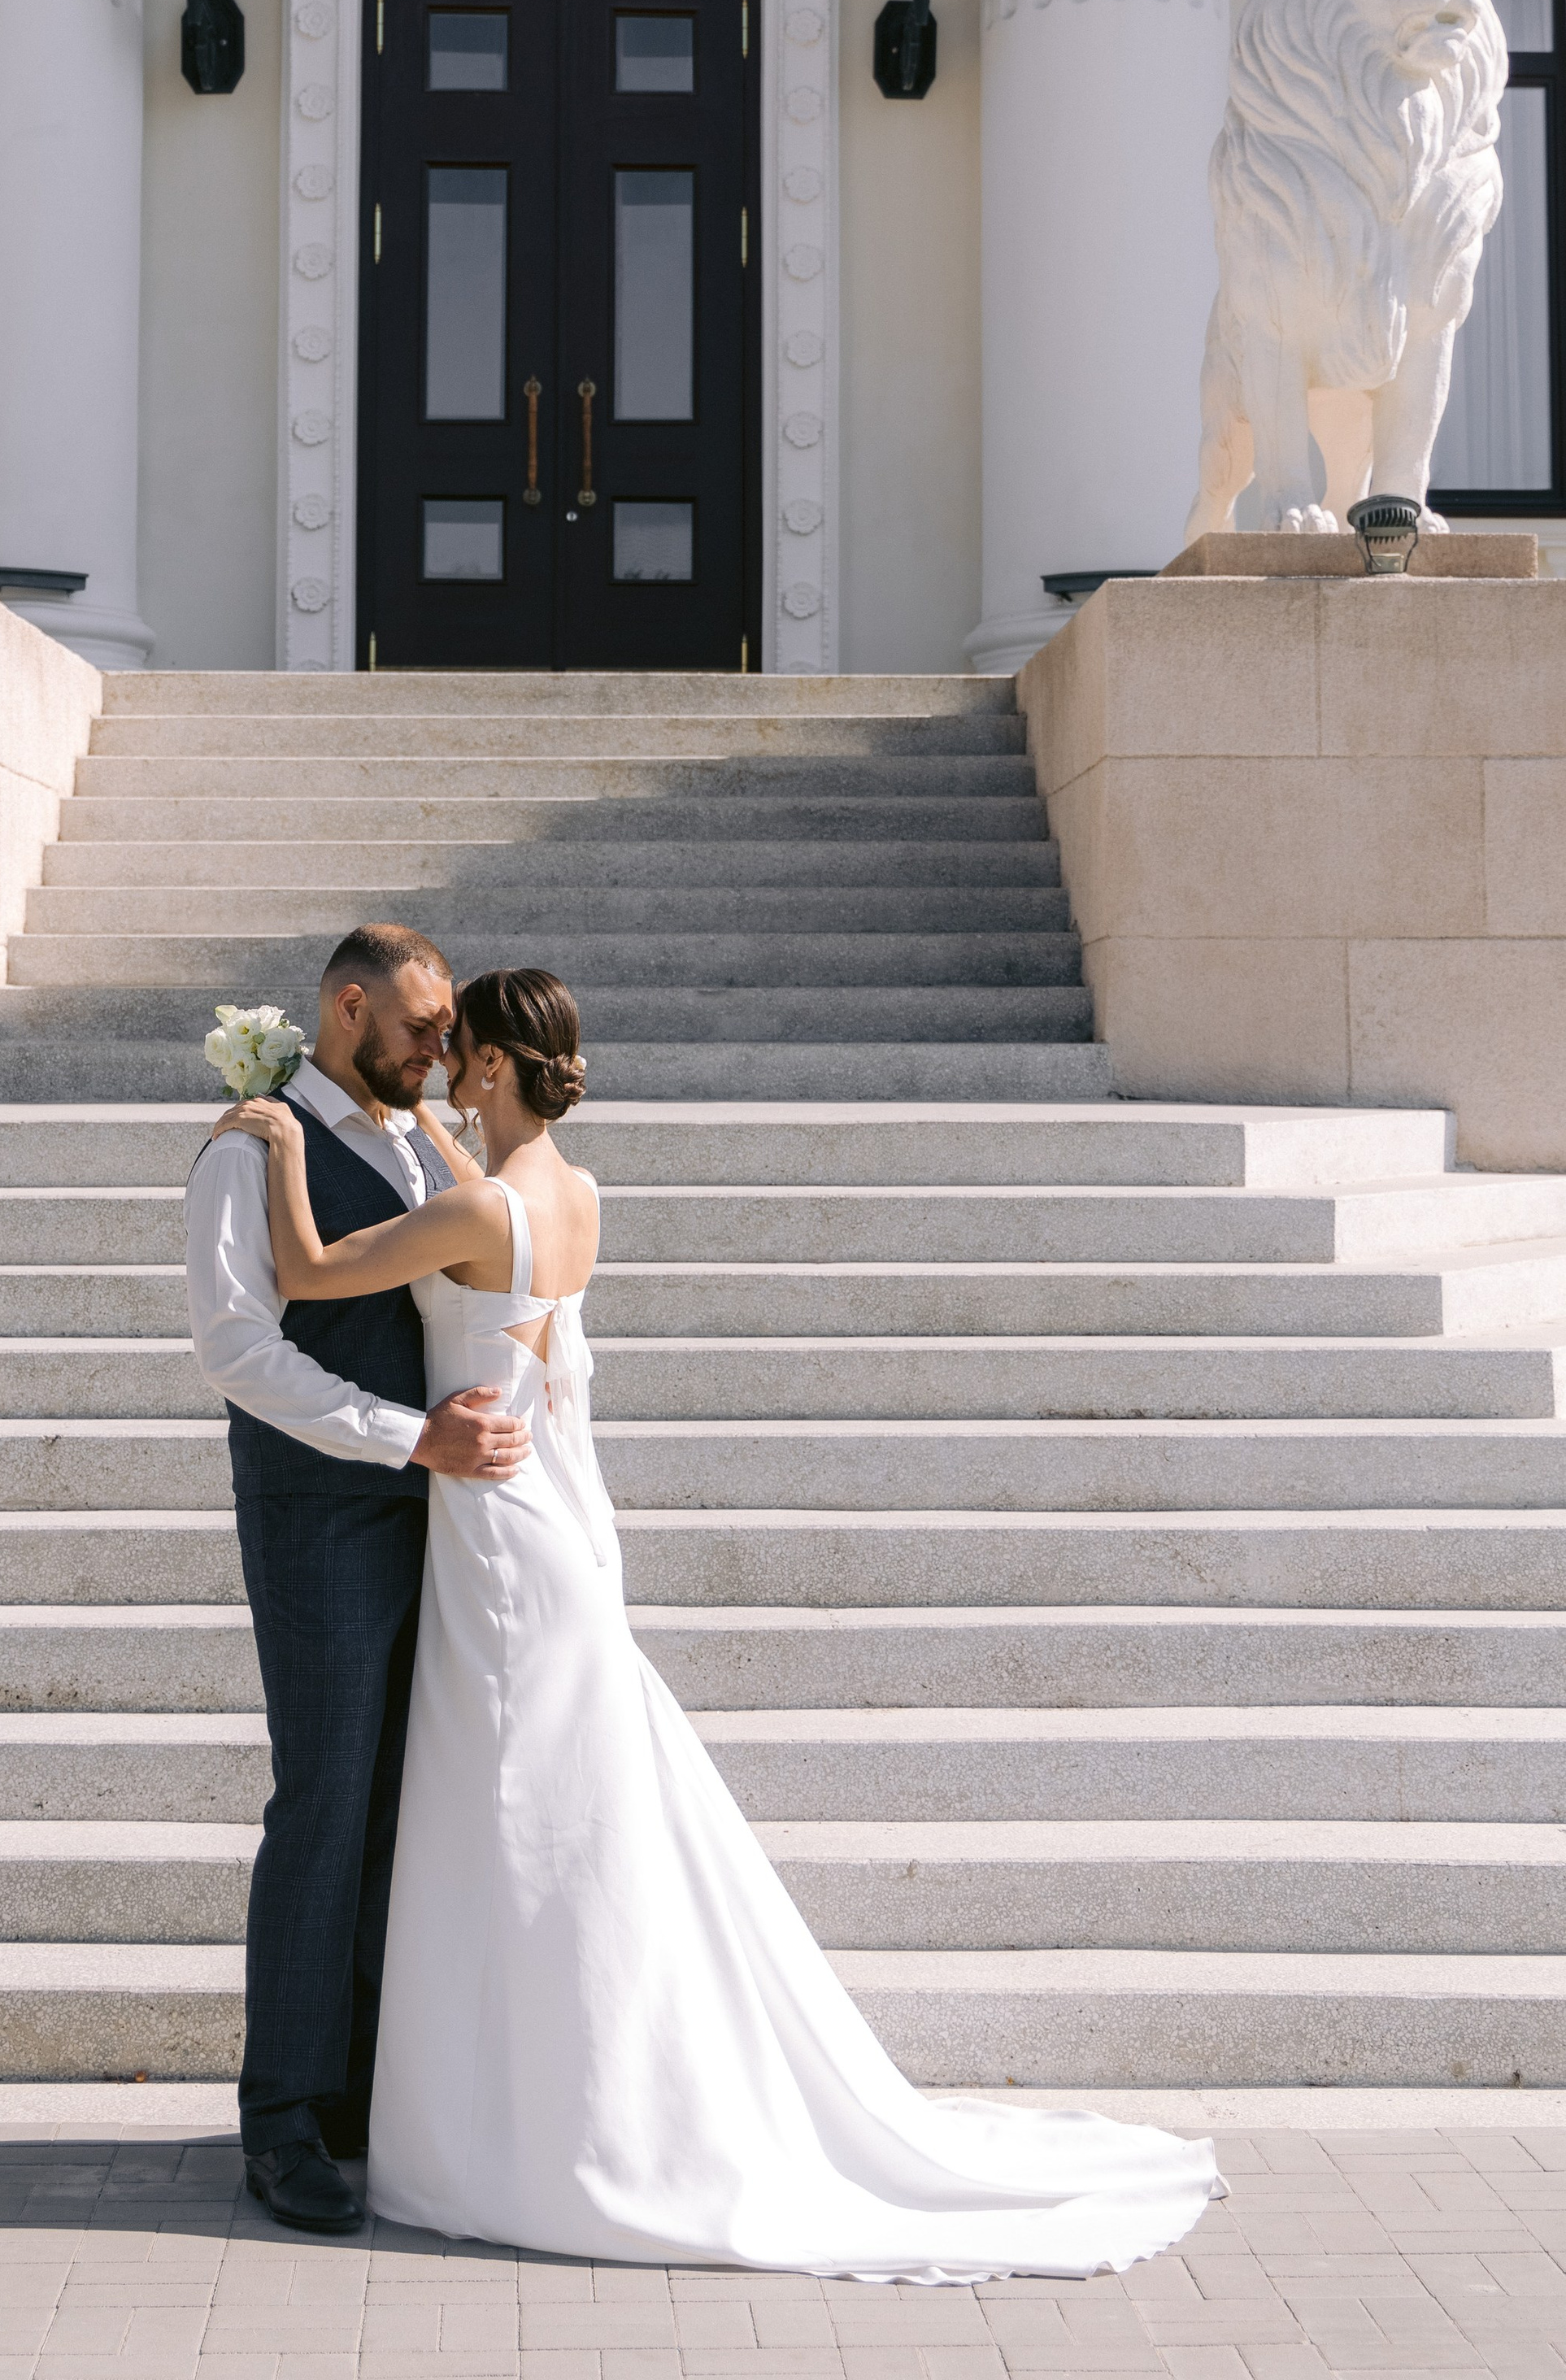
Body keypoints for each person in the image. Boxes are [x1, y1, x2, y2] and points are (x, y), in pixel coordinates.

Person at [212, 964, 1225, 2285]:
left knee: (509, 1809)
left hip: (494, 1522)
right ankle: (534, 2083)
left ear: (496, 1068)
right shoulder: (571, 1193)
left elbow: (304, 1269)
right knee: (544, 1808)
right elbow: (492, 1207)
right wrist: (430, 1127)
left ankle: (525, 2104)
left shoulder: (470, 1204)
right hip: (560, 1517)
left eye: (459, 1047)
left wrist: (277, 1134)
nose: (440, 1060)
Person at [185, 922, 526, 2239]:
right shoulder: (248, 1146)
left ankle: (357, 2095)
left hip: (436, 1515)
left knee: (398, 1804)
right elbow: (238, 1348)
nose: (444, 1044)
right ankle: (280, 2119)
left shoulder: (415, 1138)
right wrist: (407, 1436)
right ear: (346, 1007)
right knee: (325, 1802)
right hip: (322, 1514)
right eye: (423, 1023)